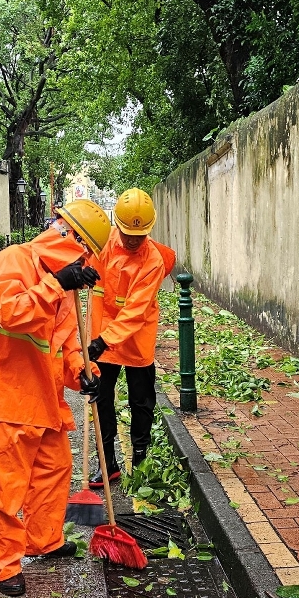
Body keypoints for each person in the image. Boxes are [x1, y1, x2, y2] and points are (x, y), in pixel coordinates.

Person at [0, 199, 110, 597]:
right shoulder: (12, 261)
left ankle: (44, 540)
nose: (85, 263)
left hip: (40, 398)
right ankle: (4, 566)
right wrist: (58, 284)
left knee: (54, 469)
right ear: (68, 236)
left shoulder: (65, 286)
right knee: (1, 487)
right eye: (84, 252)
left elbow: (65, 344)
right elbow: (11, 313)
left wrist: (83, 371)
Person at [88, 188, 176, 487]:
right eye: (128, 234)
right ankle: (108, 463)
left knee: (141, 401)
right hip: (103, 335)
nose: (133, 240)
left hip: (136, 336)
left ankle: (140, 459)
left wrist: (102, 341)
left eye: (140, 235)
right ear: (118, 225)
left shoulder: (153, 261)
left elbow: (135, 311)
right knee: (101, 399)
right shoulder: (103, 243)